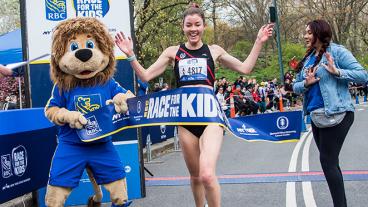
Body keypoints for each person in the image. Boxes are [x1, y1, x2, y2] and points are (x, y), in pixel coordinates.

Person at [115, 3, 273, 206]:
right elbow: (145, 75)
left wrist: (259, 42)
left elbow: (245, 68)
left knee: (207, 175)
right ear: (183, 27)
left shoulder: (214, 51)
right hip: (186, 120)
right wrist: (130, 55)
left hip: (210, 119)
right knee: (196, 176)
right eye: (188, 25)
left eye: (197, 24)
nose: (193, 29)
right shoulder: (173, 52)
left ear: (203, 26)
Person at [293, 19, 368, 207]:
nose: (305, 36)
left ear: (319, 33)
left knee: (327, 161)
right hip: (317, 116)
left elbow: (363, 75)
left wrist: (337, 71)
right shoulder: (309, 58)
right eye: (305, 32)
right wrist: (306, 83)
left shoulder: (337, 52)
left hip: (338, 113)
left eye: (309, 33)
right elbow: (295, 86)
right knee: (330, 163)